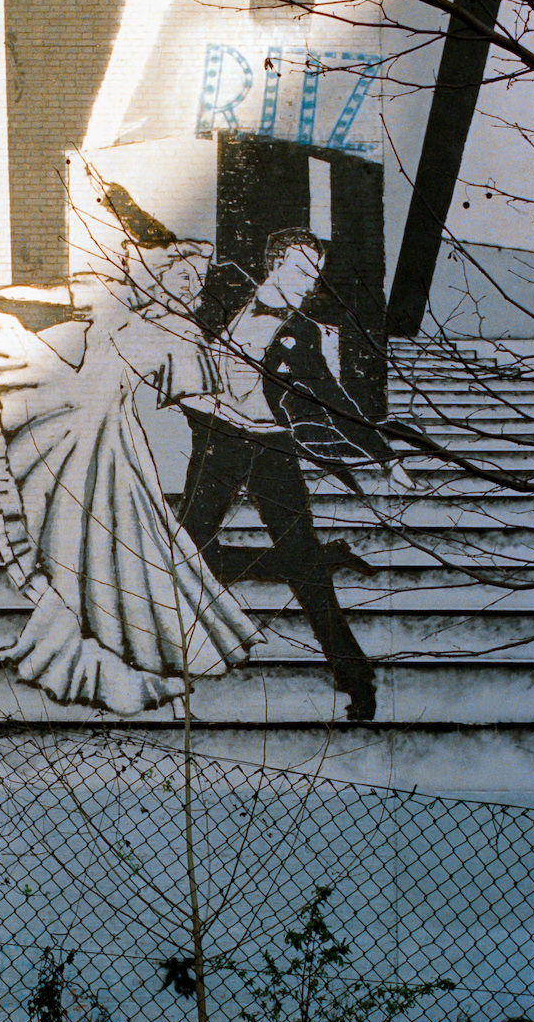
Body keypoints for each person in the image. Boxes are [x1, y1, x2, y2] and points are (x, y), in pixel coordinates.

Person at [0, 233, 264, 716]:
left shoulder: (177, 334)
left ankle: (120, 648)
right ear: (161, 273)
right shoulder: (113, 295)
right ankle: (100, 638)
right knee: (74, 532)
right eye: (184, 274)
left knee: (120, 539)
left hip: (114, 439)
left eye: (198, 280)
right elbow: (55, 297)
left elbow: (205, 396)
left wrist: (255, 424)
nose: (192, 286)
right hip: (70, 414)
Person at [175, 228, 411, 724]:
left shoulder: (301, 331)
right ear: (274, 264)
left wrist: (384, 456)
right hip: (218, 441)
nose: (307, 285)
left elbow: (331, 395)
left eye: (314, 276)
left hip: (271, 450)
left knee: (304, 566)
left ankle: (357, 678)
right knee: (183, 550)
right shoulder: (223, 299)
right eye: (300, 271)